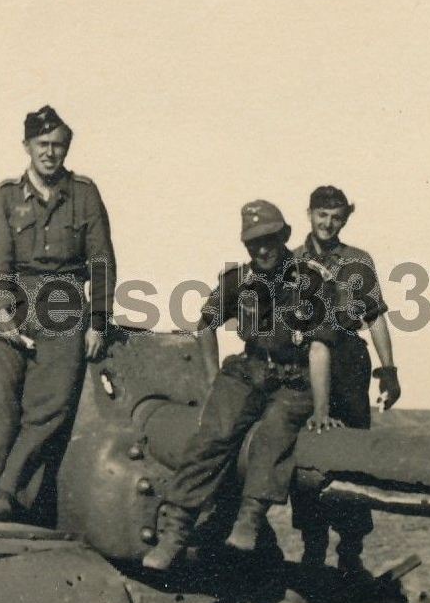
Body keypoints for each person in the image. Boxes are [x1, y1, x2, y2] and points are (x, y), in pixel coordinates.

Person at [142, 200, 340, 571]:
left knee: (276, 429)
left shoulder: (312, 281)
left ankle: (249, 518)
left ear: (284, 236)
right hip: (250, 369)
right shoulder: (238, 280)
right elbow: (205, 325)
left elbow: (319, 347)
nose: (261, 250)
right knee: (214, 433)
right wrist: (210, 380)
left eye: (268, 240)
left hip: (294, 377)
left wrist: (321, 409)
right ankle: (176, 530)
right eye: (253, 243)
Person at [0, 105, 115, 521]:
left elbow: (101, 262)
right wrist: (3, 315)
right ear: (27, 146)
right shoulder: (6, 196)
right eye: (42, 144)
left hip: (64, 304)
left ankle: (7, 490)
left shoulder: (84, 194)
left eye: (58, 145)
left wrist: (98, 321)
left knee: (49, 407)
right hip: (14, 301)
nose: (50, 153)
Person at [289, 185, 401, 572]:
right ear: (309, 214)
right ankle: (313, 551)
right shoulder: (291, 261)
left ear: (345, 220)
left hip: (349, 362)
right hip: (305, 362)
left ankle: (351, 554)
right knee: (309, 453)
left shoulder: (358, 261)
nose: (328, 223)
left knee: (353, 456)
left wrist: (389, 371)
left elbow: (375, 316)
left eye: (336, 217)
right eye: (322, 215)